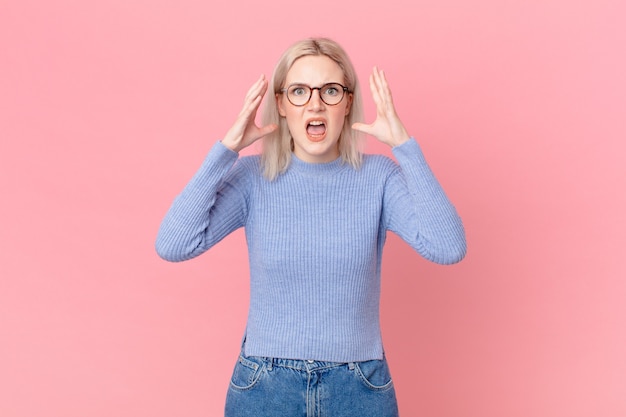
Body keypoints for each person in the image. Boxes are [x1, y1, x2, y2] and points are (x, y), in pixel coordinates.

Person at [156, 37, 466, 417]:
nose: (315, 104)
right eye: (300, 91)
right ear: (282, 104)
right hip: (264, 387)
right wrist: (226, 150)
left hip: (360, 386)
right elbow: (174, 243)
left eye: (330, 90)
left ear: (348, 102)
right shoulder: (253, 177)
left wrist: (404, 144)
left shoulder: (379, 178)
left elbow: (448, 247)